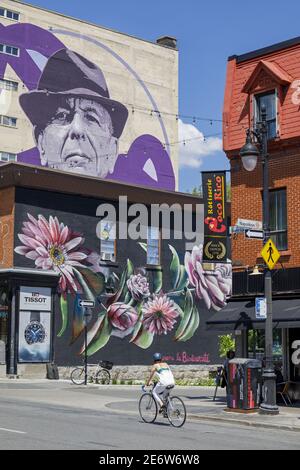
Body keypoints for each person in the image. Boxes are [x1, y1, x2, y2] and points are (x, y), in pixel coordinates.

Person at [19, 48, 128, 178]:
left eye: (92, 118)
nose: (77, 129)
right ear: (41, 142)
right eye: (62, 116)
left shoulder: (126, 198)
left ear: (112, 151)